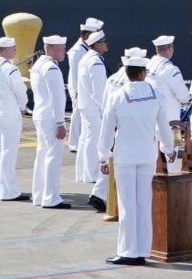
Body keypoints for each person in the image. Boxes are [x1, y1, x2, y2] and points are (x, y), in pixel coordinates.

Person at [99, 51, 174, 266]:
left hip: (125, 154)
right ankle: (142, 249)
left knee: (127, 204)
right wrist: (168, 149)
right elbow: (164, 127)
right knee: (143, 202)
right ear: (143, 73)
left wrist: (103, 156)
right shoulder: (157, 94)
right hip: (147, 154)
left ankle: (128, 250)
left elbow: (106, 131)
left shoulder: (117, 95)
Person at [0, 36, 27, 201]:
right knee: (8, 152)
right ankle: (9, 191)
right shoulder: (10, 69)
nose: (15, 51)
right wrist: (23, 107)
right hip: (8, 114)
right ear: (7, 50)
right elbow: (20, 91)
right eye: (14, 48)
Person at [28, 35, 69, 208]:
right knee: (52, 156)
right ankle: (51, 197)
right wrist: (60, 123)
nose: (64, 52)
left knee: (42, 155)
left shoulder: (38, 65)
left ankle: (39, 195)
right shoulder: (51, 68)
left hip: (40, 113)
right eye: (62, 48)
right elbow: (57, 97)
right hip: (51, 117)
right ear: (52, 48)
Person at [73, 30, 109, 209]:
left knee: (87, 138)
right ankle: (92, 173)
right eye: (104, 42)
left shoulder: (86, 58)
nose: (106, 44)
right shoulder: (95, 62)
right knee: (93, 139)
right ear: (96, 45)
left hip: (86, 105)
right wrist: (106, 109)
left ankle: (85, 172)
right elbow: (99, 91)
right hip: (94, 106)